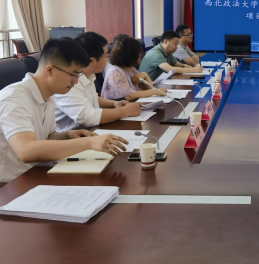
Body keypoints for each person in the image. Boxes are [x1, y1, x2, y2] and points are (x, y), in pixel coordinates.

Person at [0, 38, 128, 183]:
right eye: (73, 75)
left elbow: (47, 137)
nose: (76, 81)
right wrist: (89, 143)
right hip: (11, 184)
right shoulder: (13, 98)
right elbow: (26, 150)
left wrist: (67, 135)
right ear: (50, 70)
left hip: (38, 172)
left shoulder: (48, 96)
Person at [55, 32, 142, 132]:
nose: (107, 59)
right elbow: (88, 117)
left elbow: (91, 98)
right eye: (106, 55)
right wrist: (125, 111)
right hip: (72, 137)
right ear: (92, 60)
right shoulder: (70, 81)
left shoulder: (89, 75)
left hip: (91, 131)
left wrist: (114, 103)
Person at [101, 36, 167, 101]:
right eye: (138, 52)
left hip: (130, 104)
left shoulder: (131, 69)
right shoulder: (115, 72)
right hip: (116, 107)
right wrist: (155, 91)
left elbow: (145, 88)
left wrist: (145, 75)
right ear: (130, 54)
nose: (140, 55)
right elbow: (129, 96)